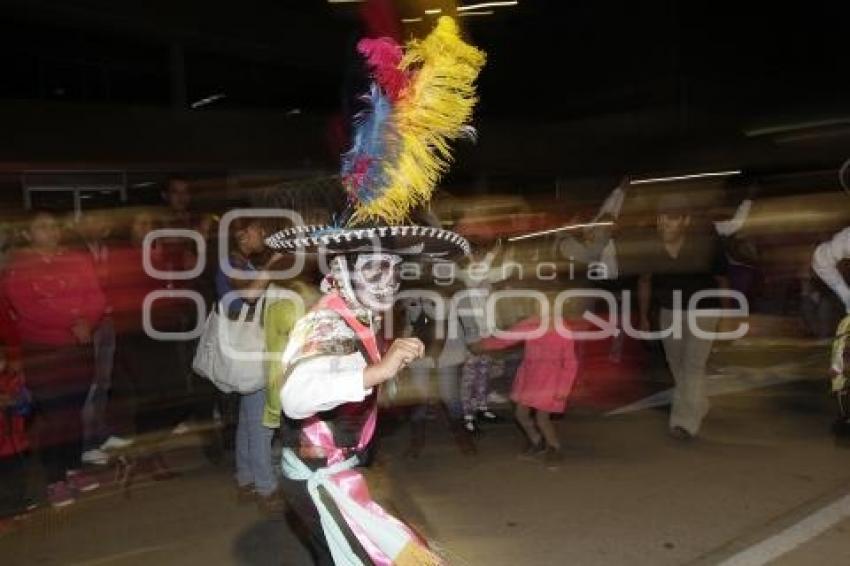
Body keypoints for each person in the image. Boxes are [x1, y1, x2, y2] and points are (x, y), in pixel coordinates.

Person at [268, 15, 484, 564]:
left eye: (391, 270)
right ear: (336, 275)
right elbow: (295, 394)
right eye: (371, 270)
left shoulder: (357, 311)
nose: (386, 281)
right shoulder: (326, 321)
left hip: (331, 472)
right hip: (319, 479)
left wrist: (387, 357)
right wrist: (375, 371)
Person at [3, 210, 106, 507]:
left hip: (79, 346)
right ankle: (54, 479)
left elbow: (96, 295)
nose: (51, 232)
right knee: (52, 415)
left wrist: (87, 320)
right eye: (42, 227)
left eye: (54, 226)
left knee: (73, 410)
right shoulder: (19, 267)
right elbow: (28, 308)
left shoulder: (76, 259)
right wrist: (73, 322)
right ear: (28, 234)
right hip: (45, 350)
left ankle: (73, 469)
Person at [638, 193, 729, 440]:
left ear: (686, 220)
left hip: (705, 311)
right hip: (670, 313)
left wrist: (729, 313)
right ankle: (698, 402)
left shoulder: (707, 243)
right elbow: (645, 280)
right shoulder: (651, 246)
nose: (665, 223)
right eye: (661, 218)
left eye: (672, 218)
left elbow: (722, 279)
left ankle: (683, 423)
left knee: (692, 366)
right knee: (677, 366)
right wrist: (645, 317)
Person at [215, 217, 286, 514]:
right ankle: (266, 488)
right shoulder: (232, 264)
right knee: (261, 422)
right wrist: (274, 264)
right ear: (243, 235)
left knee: (248, 418)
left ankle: (245, 478)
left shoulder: (241, 262)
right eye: (260, 229)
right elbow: (249, 294)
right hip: (250, 349)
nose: (265, 234)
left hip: (247, 347)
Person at [473, 297, 578, 469]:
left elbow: (571, 363)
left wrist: (564, 388)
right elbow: (507, 338)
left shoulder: (563, 331)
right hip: (529, 377)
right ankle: (537, 442)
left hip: (550, 380)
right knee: (521, 414)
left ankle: (554, 448)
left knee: (542, 417)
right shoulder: (531, 324)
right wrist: (485, 344)